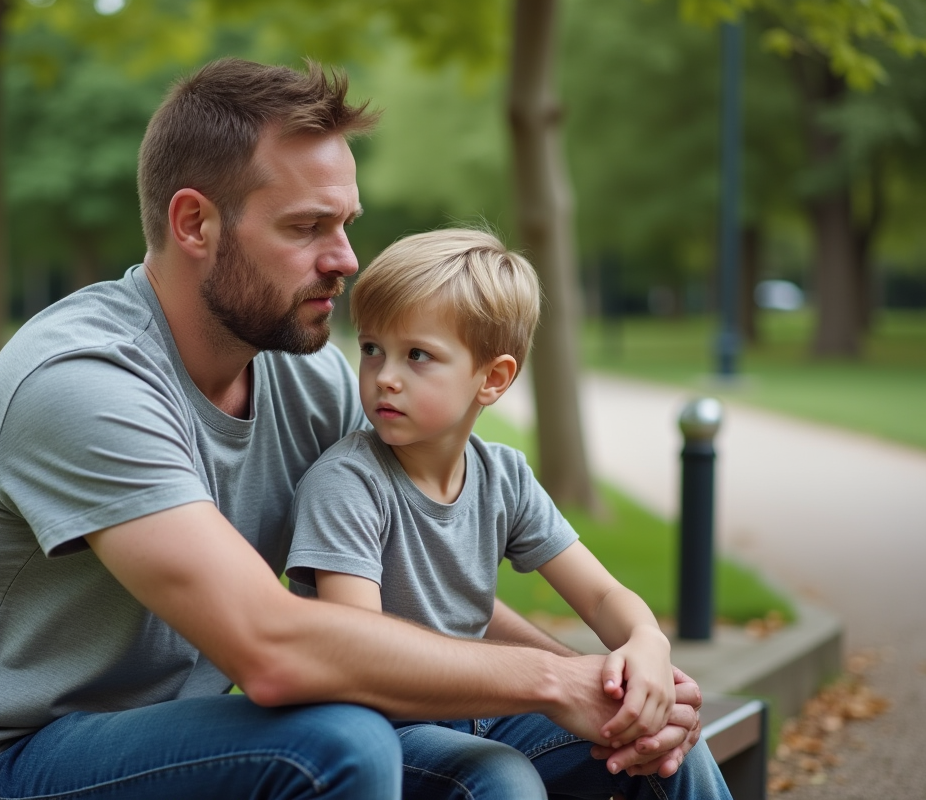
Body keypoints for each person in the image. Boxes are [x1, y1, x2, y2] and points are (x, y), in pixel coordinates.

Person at [0, 58, 707, 800]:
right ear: (194, 224)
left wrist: (609, 686)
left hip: (194, 741)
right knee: (339, 743)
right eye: (307, 227)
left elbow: (422, 593)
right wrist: (547, 683)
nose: (345, 258)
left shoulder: (306, 379)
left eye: (346, 224)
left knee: (643, 748)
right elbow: (271, 652)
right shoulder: (84, 382)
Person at [285, 227, 732, 798]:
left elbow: (600, 596)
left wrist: (647, 641)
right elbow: (361, 656)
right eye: (372, 348)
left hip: (482, 713)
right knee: (501, 776)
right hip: (379, 731)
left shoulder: (503, 477)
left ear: (492, 379)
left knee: (664, 744)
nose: (385, 376)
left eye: (417, 355)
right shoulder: (348, 483)